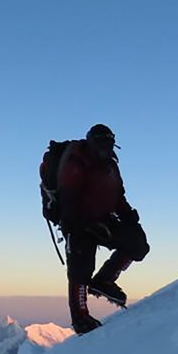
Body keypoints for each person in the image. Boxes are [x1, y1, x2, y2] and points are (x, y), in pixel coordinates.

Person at [42, 124, 149, 334]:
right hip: (76, 222)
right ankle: (80, 318)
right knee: (80, 270)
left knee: (138, 246)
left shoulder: (110, 166)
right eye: (102, 144)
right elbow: (68, 200)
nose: (105, 149)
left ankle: (104, 281)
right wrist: (80, 227)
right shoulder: (76, 163)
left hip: (102, 219)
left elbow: (118, 196)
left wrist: (128, 216)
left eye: (108, 144)